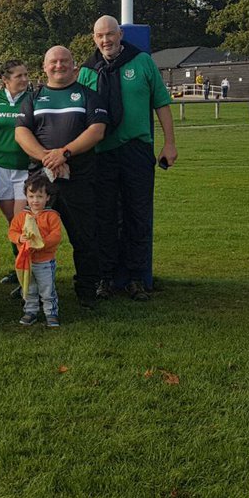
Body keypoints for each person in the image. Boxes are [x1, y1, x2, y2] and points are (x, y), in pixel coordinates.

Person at [78, 16, 177, 301]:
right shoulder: (88, 71)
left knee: (137, 214)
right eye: (100, 36)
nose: (105, 40)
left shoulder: (142, 62)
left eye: (110, 34)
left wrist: (170, 143)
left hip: (136, 149)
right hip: (101, 152)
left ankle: (136, 277)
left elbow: (161, 103)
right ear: (94, 38)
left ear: (120, 34)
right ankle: (105, 277)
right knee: (104, 216)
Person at [14, 45, 109, 308]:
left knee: (85, 237)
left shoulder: (88, 96)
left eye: (64, 61)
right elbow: (21, 133)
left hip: (78, 179)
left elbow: (97, 131)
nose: (59, 65)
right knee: (32, 236)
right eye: (53, 62)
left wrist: (64, 153)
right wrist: (48, 157)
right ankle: (31, 288)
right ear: (44, 67)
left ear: (74, 65)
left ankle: (87, 288)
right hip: (42, 184)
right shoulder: (33, 98)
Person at [0, 59, 33, 285]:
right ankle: (19, 268)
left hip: (24, 168)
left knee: (20, 220)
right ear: (5, 80)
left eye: (26, 75)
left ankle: (27, 270)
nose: (24, 79)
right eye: (19, 76)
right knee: (11, 223)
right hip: (0, 166)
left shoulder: (33, 98)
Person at [8, 173, 62, 327]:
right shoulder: (21, 216)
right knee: (29, 288)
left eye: (39, 196)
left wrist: (41, 243)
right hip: (26, 261)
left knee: (47, 288)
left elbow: (56, 236)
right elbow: (12, 232)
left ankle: (51, 313)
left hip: (45, 261)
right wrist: (19, 238)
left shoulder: (52, 216)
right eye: (31, 196)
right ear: (26, 196)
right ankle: (30, 311)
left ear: (47, 198)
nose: (35, 200)